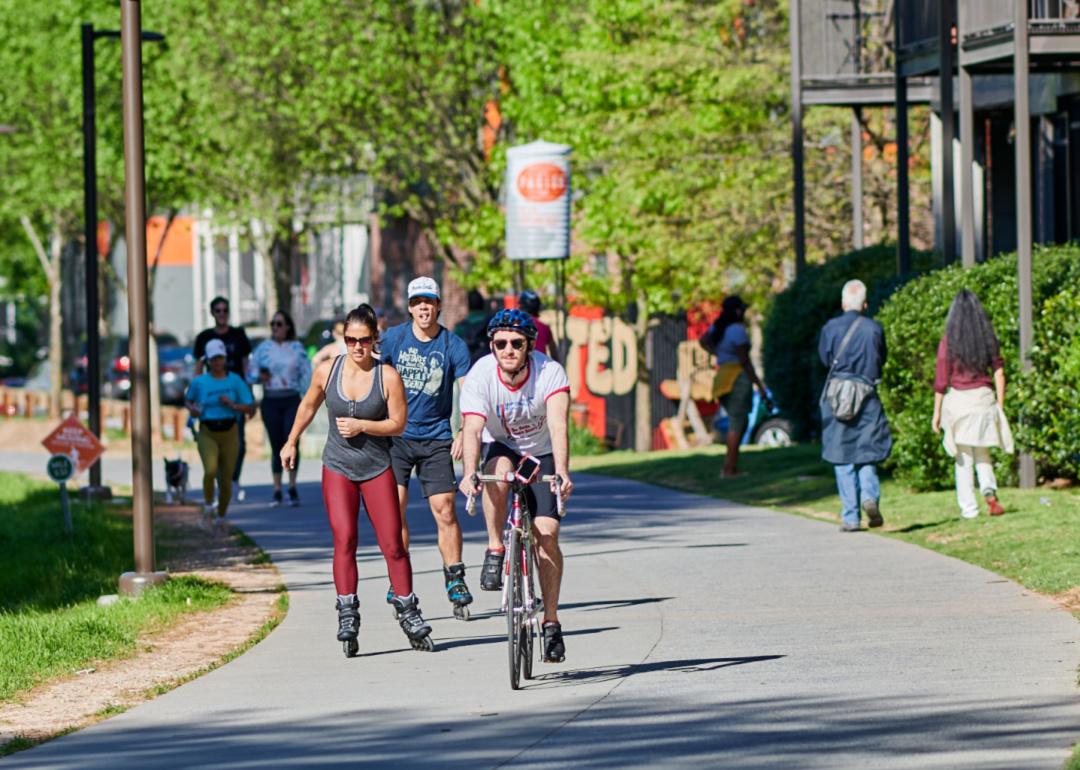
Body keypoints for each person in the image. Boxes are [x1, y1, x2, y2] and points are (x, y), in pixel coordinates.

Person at [279, 304, 434, 652]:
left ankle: (408, 607)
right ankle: (347, 609)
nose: (357, 347)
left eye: (364, 340)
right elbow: (307, 405)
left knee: (393, 542)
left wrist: (364, 425)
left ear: (375, 339)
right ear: (342, 338)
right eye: (350, 340)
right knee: (344, 539)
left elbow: (398, 424)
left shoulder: (387, 377)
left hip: (377, 466)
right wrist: (291, 441)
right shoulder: (326, 371)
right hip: (338, 466)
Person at [458, 308, 574, 663]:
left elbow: (557, 425)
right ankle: (495, 548)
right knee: (497, 469)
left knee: (546, 535)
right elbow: (474, 429)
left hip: (542, 454)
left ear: (530, 346)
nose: (508, 350)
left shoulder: (549, 372)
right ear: (492, 346)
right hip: (503, 446)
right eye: (500, 343)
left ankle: (551, 622)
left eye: (516, 343)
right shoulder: (480, 374)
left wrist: (564, 472)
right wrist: (468, 473)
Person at [379, 277, 475, 618]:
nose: (423, 307)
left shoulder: (453, 345)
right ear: (409, 306)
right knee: (396, 509)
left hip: (436, 437)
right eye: (417, 301)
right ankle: (399, 579)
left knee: (445, 509)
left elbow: (468, 390)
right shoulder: (393, 338)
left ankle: (455, 577)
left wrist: (465, 429)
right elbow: (373, 377)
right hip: (397, 437)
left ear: (438, 306)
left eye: (429, 301)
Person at [818, 280, 892, 532]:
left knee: (842, 454)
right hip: (867, 392)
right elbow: (881, 358)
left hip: (837, 394)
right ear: (865, 304)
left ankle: (850, 516)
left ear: (842, 303)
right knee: (867, 450)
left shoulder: (830, 327)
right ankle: (869, 497)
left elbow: (824, 358)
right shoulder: (874, 328)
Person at [931, 290, 1013, 518]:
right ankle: (989, 490)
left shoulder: (949, 341)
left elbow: (941, 380)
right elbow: (999, 372)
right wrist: (999, 404)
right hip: (983, 399)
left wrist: (936, 413)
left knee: (963, 457)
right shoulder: (987, 338)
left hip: (959, 402)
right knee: (982, 450)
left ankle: (969, 509)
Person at [185, 339, 255, 532]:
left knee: (226, 479)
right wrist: (194, 411)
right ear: (208, 360)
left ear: (225, 358)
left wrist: (233, 405)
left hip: (230, 431)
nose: (217, 362)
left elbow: (249, 405)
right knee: (210, 469)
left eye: (220, 358)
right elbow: (188, 401)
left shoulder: (234, 380)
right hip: (207, 431)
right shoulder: (200, 382)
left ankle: (221, 515)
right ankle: (208, 505)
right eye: (214, 358)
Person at [702, 295, 770, 477]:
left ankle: (730, 465)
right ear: (738, 311)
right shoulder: (737, 331)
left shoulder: (719, 327)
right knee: (738, 421)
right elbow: (745, 360)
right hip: (736, 377)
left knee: (737, 420)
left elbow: (703, 341)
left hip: (722, 376)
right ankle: (729, 467)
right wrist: (760, 387)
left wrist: (718, 353)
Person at [249, 310, 312, 507]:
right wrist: (260, 377)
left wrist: (307, 397)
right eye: (273, 324)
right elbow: (250, 373)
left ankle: (292, 486)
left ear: (287, 327)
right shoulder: (263, 349)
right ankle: (277, 489)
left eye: (279, 324)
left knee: (291, 440)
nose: (275, 328)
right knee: (276, 444)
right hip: (271, 399)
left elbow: (307, 374)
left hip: (291, 398)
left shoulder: (297, 348)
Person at [194, 297, 253, 502]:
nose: (222, 313)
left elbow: (246, 365)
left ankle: (231, 479)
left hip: (235, 393)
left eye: (225, 310)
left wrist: (249, 393)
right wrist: (196, 393)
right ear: (212, 313)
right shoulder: (204, 337)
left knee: (239, 442)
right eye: (217, 310)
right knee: (214, 441)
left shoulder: (238, 335)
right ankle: (221, 480)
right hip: (211, 397)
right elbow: (198, 367)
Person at [518, 290, 560, 362]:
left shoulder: (516, 325)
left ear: (521, 306)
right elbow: (554, 355)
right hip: (541, 368)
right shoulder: (545, 328)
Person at [453, 289, 492, 364]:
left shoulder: (460, 328)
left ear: (468, 305)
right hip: (488, 366)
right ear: (483, 303)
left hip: (468, 368)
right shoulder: (492, 323)